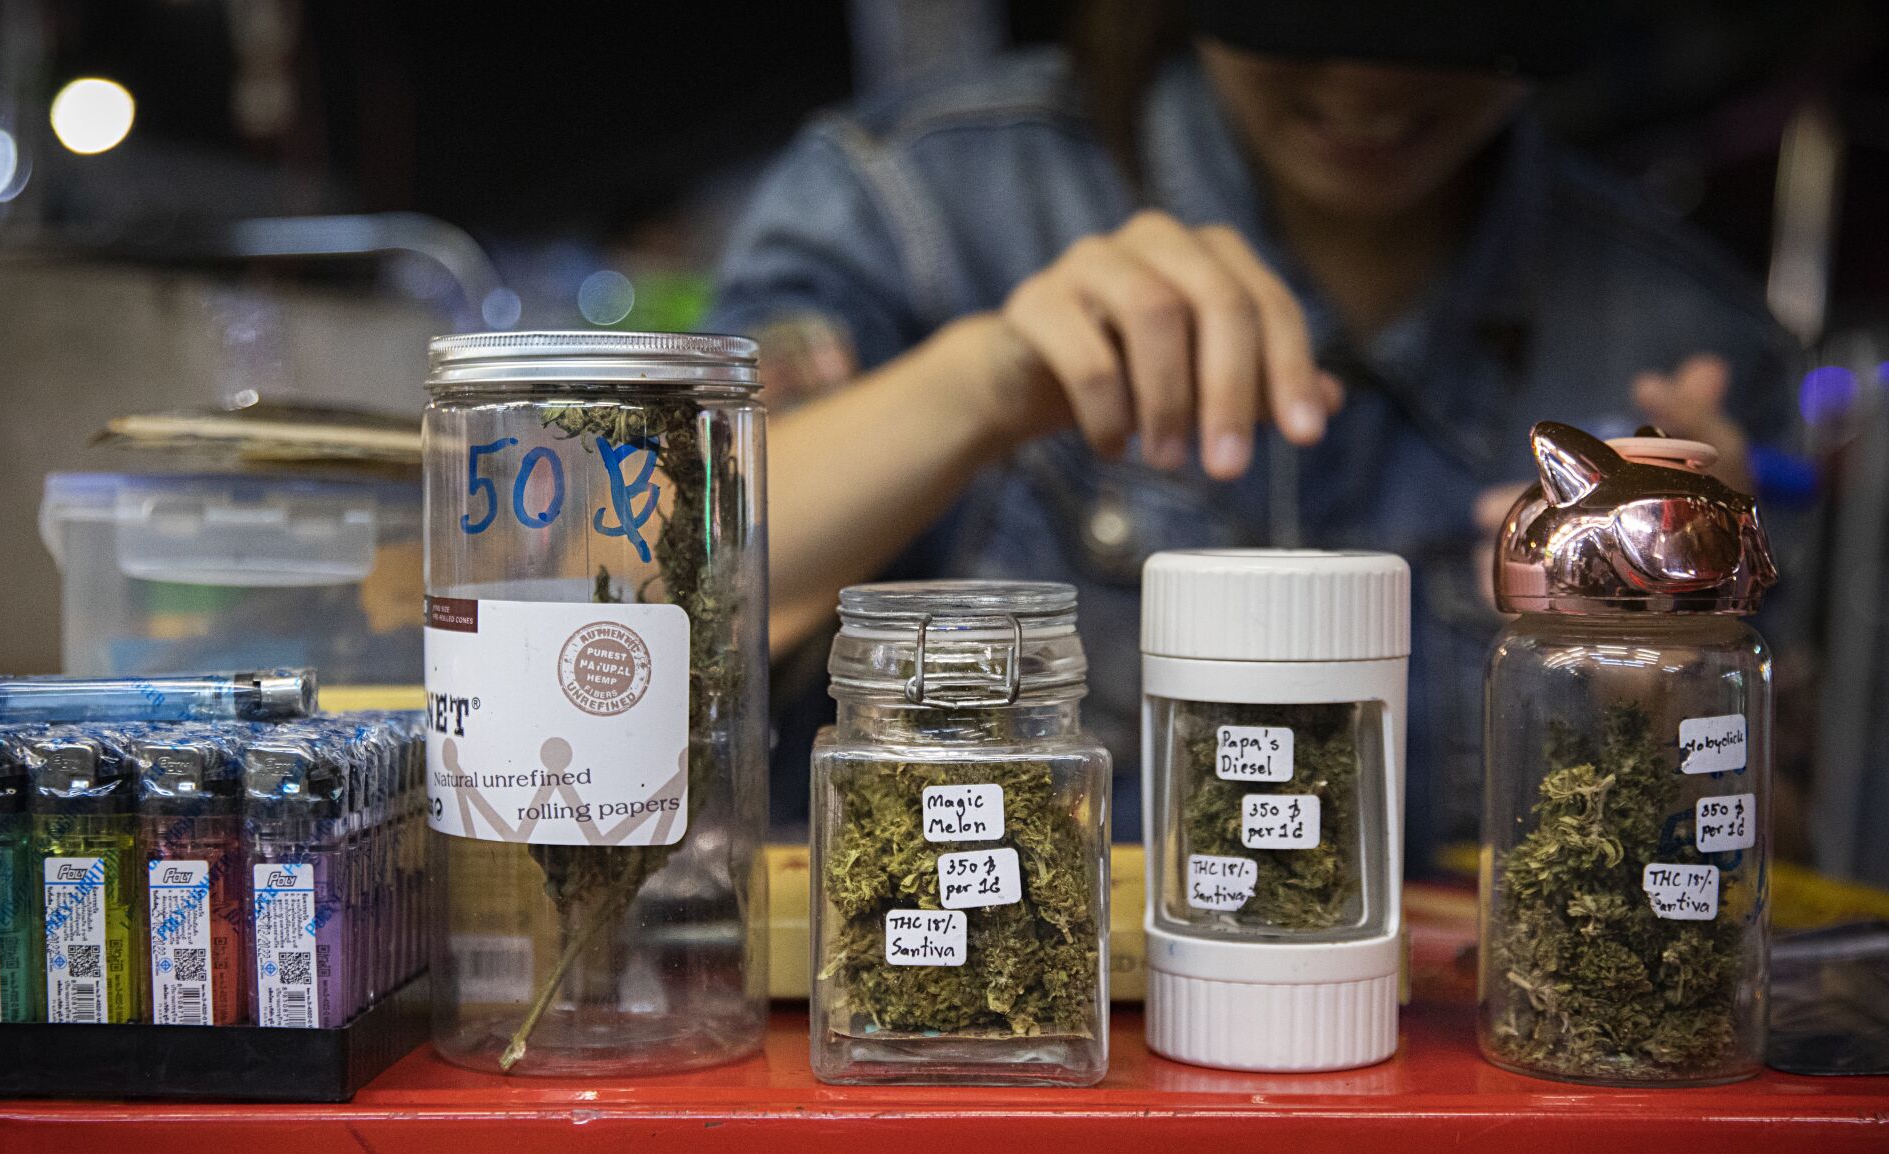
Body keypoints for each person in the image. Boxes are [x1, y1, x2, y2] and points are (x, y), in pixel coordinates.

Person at [708, 0, 1799, 860]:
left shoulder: (1679, 328)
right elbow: (637, 589)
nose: (1368, 81)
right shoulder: (920, 202)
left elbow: (1793, 857)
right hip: (1001, 1050)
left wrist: (1678, 673)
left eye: (1448, 30)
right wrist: (983, 381)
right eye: (1306, 25)